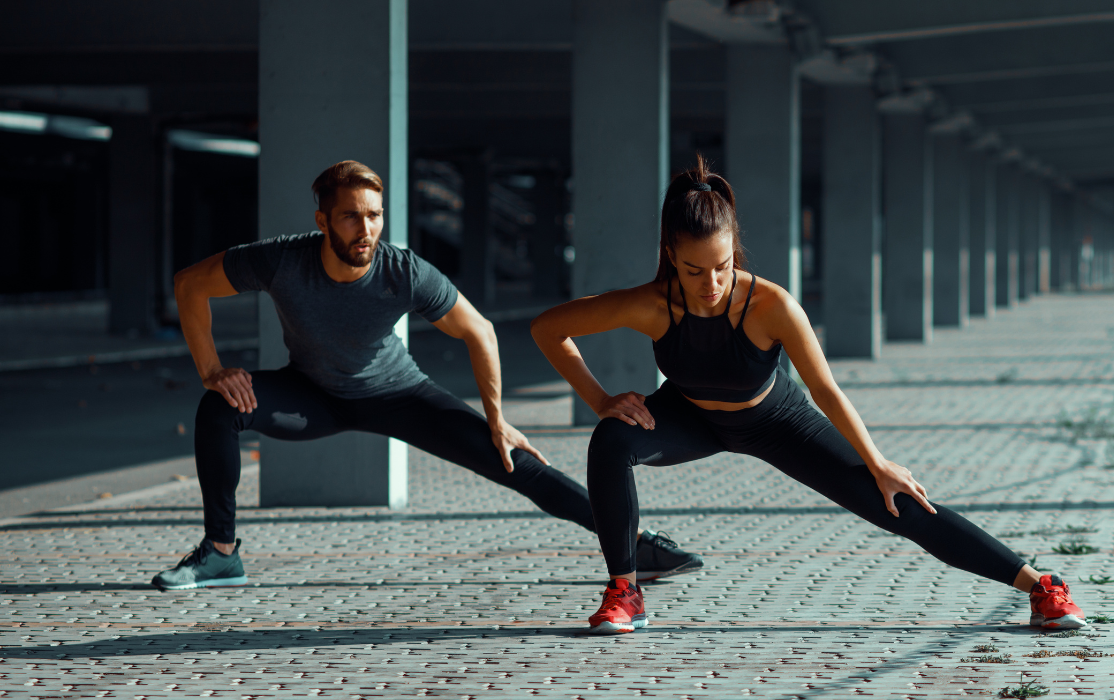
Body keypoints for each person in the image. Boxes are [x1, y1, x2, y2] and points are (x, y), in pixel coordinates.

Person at [531, 157, 1087, 635]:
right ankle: (625, 592)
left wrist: (878, 462)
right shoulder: (651, 304)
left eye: (722, 267)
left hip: (778, 421)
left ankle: (1041, 585)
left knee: (895, 502)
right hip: (691, 415)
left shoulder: (771, 306)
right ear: (671, 253)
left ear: (735, 252)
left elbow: (825, 388)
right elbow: (548, 329)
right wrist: (601, 399)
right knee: (609, 440)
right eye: (695, 269)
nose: (710, 284)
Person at [151, 160, 703, 590]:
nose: (365, 228)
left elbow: (479, 331)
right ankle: (222, 556)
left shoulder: (402, 270)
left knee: (513, 461)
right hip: (311, 394)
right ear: (322, 220)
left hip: (400, 394)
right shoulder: (281, 261)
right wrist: (212, 370)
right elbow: (189, 285)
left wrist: (497, 419)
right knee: (219, 408)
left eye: (374, 214)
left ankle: (636, 545)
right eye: (350, 216)